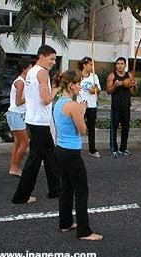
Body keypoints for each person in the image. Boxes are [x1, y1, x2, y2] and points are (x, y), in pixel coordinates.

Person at [53, 70, 102, 241]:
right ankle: (84, 231)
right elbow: (82, 130)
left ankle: (65, 223)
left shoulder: (58, 102)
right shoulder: (73, 105)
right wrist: (81, 110)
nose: (81, 86)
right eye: (79, 83)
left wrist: (79, 109)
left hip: (60, 149)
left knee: (66, 187)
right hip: (71, 152)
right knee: (81, 190)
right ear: (71, 85)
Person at [12, 45, 60, 204]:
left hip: (33, 120)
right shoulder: (42, 72)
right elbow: (46, 99)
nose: (53, 62)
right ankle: (21, 196)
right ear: (42, 56)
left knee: (50, 156)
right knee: (34, 160)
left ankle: (55, 189)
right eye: (51, 58)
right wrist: (56, 89)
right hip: (40, 122)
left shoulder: (31, 72)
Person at [106, 57, 137, 158]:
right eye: (118, 64)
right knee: (114, 128)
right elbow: (108, 91)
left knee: (126, 128)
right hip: (116, 106)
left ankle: (123, 148)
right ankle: (113, 149)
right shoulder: (112, 75)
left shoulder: (129, 75)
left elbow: (133, 92)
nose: (119, 66)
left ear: (125, 65)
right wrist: (115, 85)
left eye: (122, 64)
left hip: (126, 106)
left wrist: (134, 85)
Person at [6, 60, 32, 177]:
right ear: (24, 69)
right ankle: (15, 167)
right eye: (30, 68)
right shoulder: (20, 82)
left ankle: (13, 166)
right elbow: (18, 101)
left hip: (16, 114)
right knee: (24, 142)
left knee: (18, 142)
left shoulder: (22, 81)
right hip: (17, 114)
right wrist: (29, 97)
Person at [77, 57, 101, 158]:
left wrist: (95, 89)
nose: (92, 67)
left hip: (92, 105)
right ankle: (76, 148)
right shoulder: (78, 76)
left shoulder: (94, 76)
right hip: (80, 104)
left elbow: (98, 90)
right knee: (78, 126)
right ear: (84, 65)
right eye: (90, 64)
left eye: (92, 65)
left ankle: (92, 149)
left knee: (91, 128)